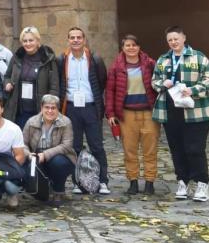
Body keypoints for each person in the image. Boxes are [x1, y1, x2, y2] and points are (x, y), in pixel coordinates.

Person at [152, 25, 209, 203]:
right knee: (177, 149)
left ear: (184, 38)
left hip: (196, 111)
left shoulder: (198, 57)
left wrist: (193, 90)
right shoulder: (163, 59)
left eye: (176, 38)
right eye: (170, 40)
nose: (173, 42)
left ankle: (202, 183)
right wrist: (161, 84)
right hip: (171, 111)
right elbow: (154, 80)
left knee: (194, 148)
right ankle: (182, 181)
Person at [58, 27, 110, 195]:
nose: (75, 40)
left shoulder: (94, 59)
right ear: (68, 40)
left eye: (78, 37)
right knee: (75, 147)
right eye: (72, 37)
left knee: (97, 146)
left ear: (84, 39)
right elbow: (60, 82)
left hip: (90, 107)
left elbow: (102, 81)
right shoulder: (62, 60)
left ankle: (102, 181)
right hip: (71, 107)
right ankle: (77, 182)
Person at [105, 34, 158, 195]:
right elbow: (110, 91)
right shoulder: (116, 67)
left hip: (149, 113)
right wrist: (110, 113)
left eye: (134, 45)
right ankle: (133, 181)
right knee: (130, 150)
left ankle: (150, 182)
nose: (131, 48)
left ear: (139, 47)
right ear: (123, 48)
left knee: (150, 149)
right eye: (127, 45)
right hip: (127, 114)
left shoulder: (150, 64)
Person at [23, 94, 76, 206]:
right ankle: (41, 190)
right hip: (37, 156)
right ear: (41, 108)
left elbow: (67, 145)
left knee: (58, 163)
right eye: (47, 107)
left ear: (58, 109)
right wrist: (29, 154)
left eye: (53, 108)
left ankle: (58, 191)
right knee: (25, 163)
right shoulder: (31, 122)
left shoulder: (66, 122)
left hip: (60, 157)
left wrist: (45, 154)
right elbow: (23, 144)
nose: (50, 111)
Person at [3, 26, 60, 129]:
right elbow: (7, 76)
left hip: (40, 110)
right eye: (25, 41)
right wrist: (7, 83)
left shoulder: (48, 59)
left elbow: (54, 86)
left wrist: (50, 107)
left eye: (31, 40)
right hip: (19, 110)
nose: (28, 43)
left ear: (38, 41)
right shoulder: (17, 57)